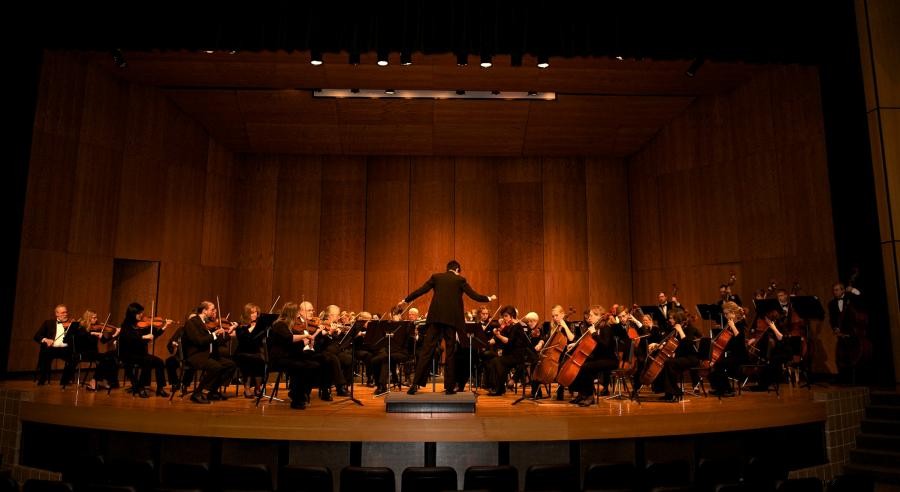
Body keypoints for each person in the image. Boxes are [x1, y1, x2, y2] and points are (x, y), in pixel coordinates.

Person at [400, 260, 496, 395]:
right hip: (451, 322)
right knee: (450, 353)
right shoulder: (460, 280)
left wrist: (406, 300)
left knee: (426, 351)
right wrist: (489, 298)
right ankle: (450, 387)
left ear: (448, 269)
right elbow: (474, 295)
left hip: (435, 319)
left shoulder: (436, 277)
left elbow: (421, 290)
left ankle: (414, 385)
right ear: (457, 270)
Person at [181, 301, 237, 403]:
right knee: (216, 367)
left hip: (207, 354)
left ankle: (212, 390)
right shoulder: (192, 322)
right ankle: (197, 393)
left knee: (230, 365)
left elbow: (215, 342)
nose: (213, 312)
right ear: (204, 310)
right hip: (196, 355)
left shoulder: (206, 323)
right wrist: (214, 334)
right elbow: (199, 341)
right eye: (212, 310)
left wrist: (229, 334)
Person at [119, 302, 171, 398]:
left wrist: (164, 327)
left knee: (159, 362)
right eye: (139, 313)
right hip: (129, 354)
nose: (141, 315)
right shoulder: (126, 325)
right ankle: (141, 387)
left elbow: (153, 334)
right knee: (147, 361)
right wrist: (143, 337)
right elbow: (129, 338)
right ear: (132, 313)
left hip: (141, 354)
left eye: (141, 313)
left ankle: (160, 388)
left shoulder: (142, 325)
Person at [33, 304, 78, 386]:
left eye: (66, 312)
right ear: (56, 314)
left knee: (74, 357)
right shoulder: (48, 323)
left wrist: (74, 326)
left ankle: (64, 381)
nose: (65, 314)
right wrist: (46, 339)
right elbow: (37, 336)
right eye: (62, 313)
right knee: (45, 354)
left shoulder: (72, 324)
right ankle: (42, 379)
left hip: (65, 349)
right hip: (51, 348)